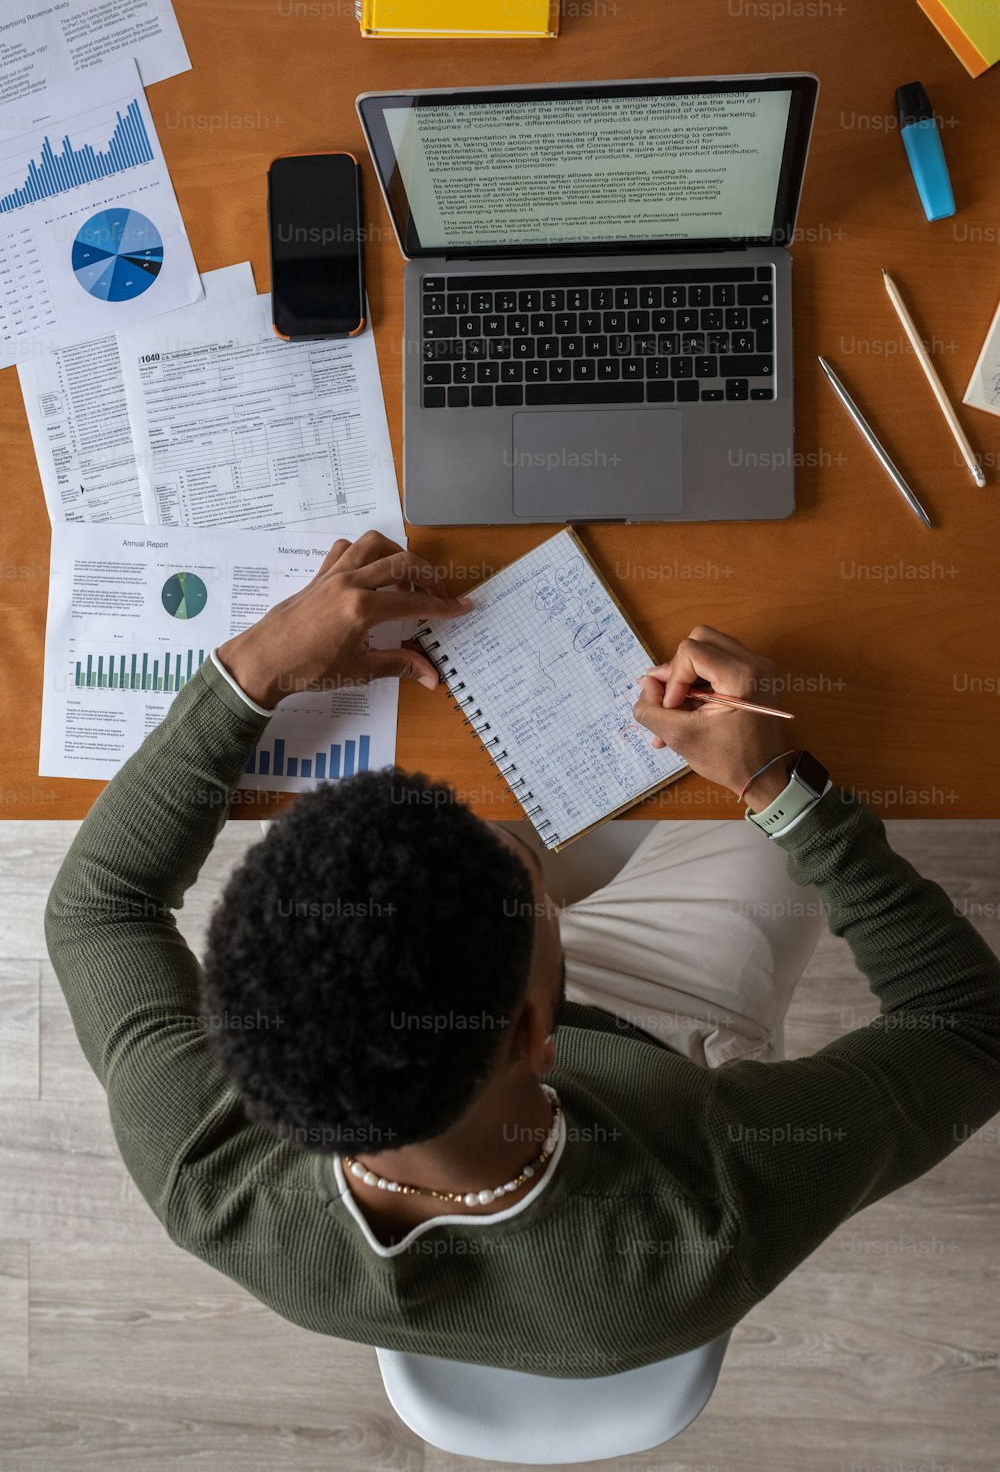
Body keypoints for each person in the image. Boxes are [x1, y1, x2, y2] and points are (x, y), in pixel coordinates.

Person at [45, 530, 1000, 1378]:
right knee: (808, 761)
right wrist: (775, 780)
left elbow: (99, 906)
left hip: (493, 1041)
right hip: (665, 1028)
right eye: (519, 882)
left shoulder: (200, 1166)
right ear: (540, 1028)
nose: (507, 839)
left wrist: (253, 667)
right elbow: (969, 1027)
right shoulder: (712, 1211)